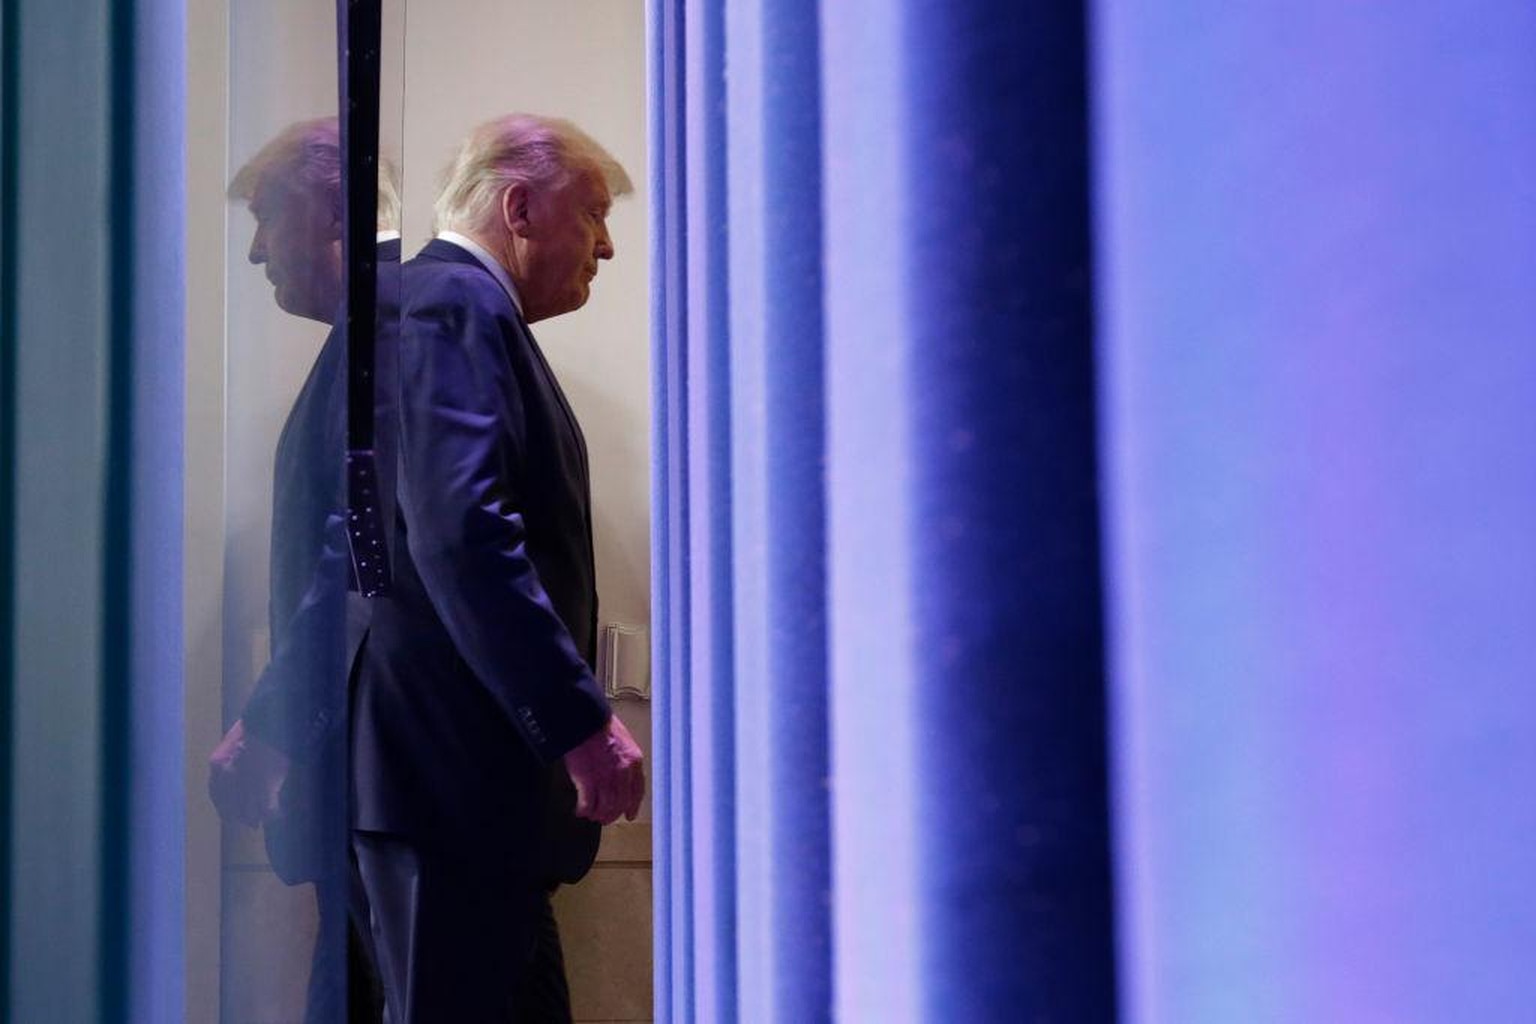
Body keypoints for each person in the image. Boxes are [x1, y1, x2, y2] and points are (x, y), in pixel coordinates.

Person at [351, 113, 645, 1022]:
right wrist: (577, 722)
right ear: (518, 205)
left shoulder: (455, 309)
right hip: (454, 786)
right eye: (592, 213)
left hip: (466, 793)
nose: (604, 245)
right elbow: (461, 531)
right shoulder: (454, 302)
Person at [209, 116, 399, 1023]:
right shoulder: (366, 340)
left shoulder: (385, 337)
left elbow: (355, 561)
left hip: (381, 783)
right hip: (368, 784)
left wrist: (268, 725)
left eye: (264, 219)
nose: (255, 254)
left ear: (332, 210)